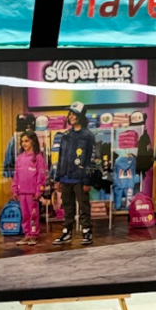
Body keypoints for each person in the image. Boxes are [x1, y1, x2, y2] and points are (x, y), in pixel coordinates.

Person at [53, 102, 95, 246]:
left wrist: (88, 180)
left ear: (80, 116)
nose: (70, 116)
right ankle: (66, 232)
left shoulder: (88, 136)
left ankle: (87, 232)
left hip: (80, 178)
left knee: (83, 206)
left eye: (73, 113)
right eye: (69, 114)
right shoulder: (65, 135)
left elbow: (92, 158)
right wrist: (58, 178)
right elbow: (61, 158)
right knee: (67, 206)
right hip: (65, 178)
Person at [12, 130, 47, 246]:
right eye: (22, 141)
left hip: (33, 194)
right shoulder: (20, 158)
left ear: (32, 141)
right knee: (25, 215)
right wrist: (15, 189)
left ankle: (33, 234)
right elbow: (16, 175)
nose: (24, 144)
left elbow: (41, 176)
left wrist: (39, 191)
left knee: (33, 215)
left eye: (26, 141)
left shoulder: (38, 158)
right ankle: (27, 234)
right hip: (22, 193)